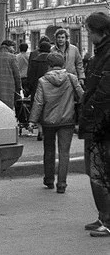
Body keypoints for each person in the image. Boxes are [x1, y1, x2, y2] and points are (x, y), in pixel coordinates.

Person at [28, 52, 84, 194]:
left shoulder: (43, 81)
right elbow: (82, 96)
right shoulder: (71, 78)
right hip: (67, 120)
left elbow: (39, 102)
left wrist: (32, 120)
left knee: (49, 150)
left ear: (49, 65)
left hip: (48, 121)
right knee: (64, 153)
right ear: (63, 64)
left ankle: (49, 180)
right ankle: (62, 184)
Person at [78, 12, 110, 237]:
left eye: (90, 30)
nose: (88, 34)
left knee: (99, 172)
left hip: (102, 122)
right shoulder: (101, 52)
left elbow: (104, 90)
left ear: (102, 32)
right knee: (95, 171)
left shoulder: (107, 54)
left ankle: (107, 221)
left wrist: (89, 110)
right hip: (97, 120)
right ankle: (103, 216)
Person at [0, 39, 22, 110]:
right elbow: (16, 74)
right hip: (9, 88)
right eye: (13, 47)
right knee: (8, 109)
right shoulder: (12, 57)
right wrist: (19, 87)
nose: (14, 49)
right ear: (8, 47)